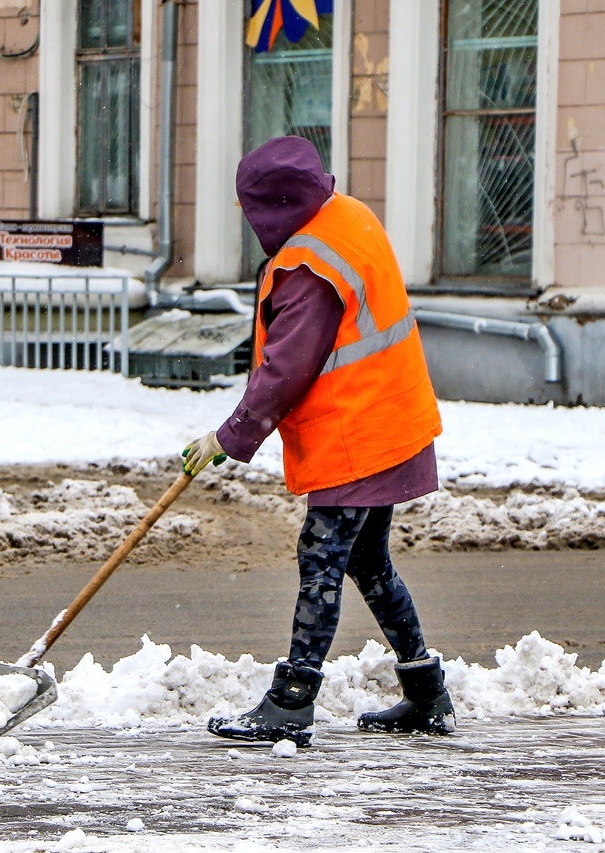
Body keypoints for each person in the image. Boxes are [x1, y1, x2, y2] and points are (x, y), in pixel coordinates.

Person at [183, 136, 454, 746]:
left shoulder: (310, 266)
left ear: (274, 204)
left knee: (324, 558)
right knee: (365, 559)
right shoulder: (347, 216)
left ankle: (292, 700)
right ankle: (426, 692)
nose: (246, 218)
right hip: (389, 416)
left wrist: (227, 437)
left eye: (249, 207)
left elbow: (285, 371)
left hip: (356, 432)